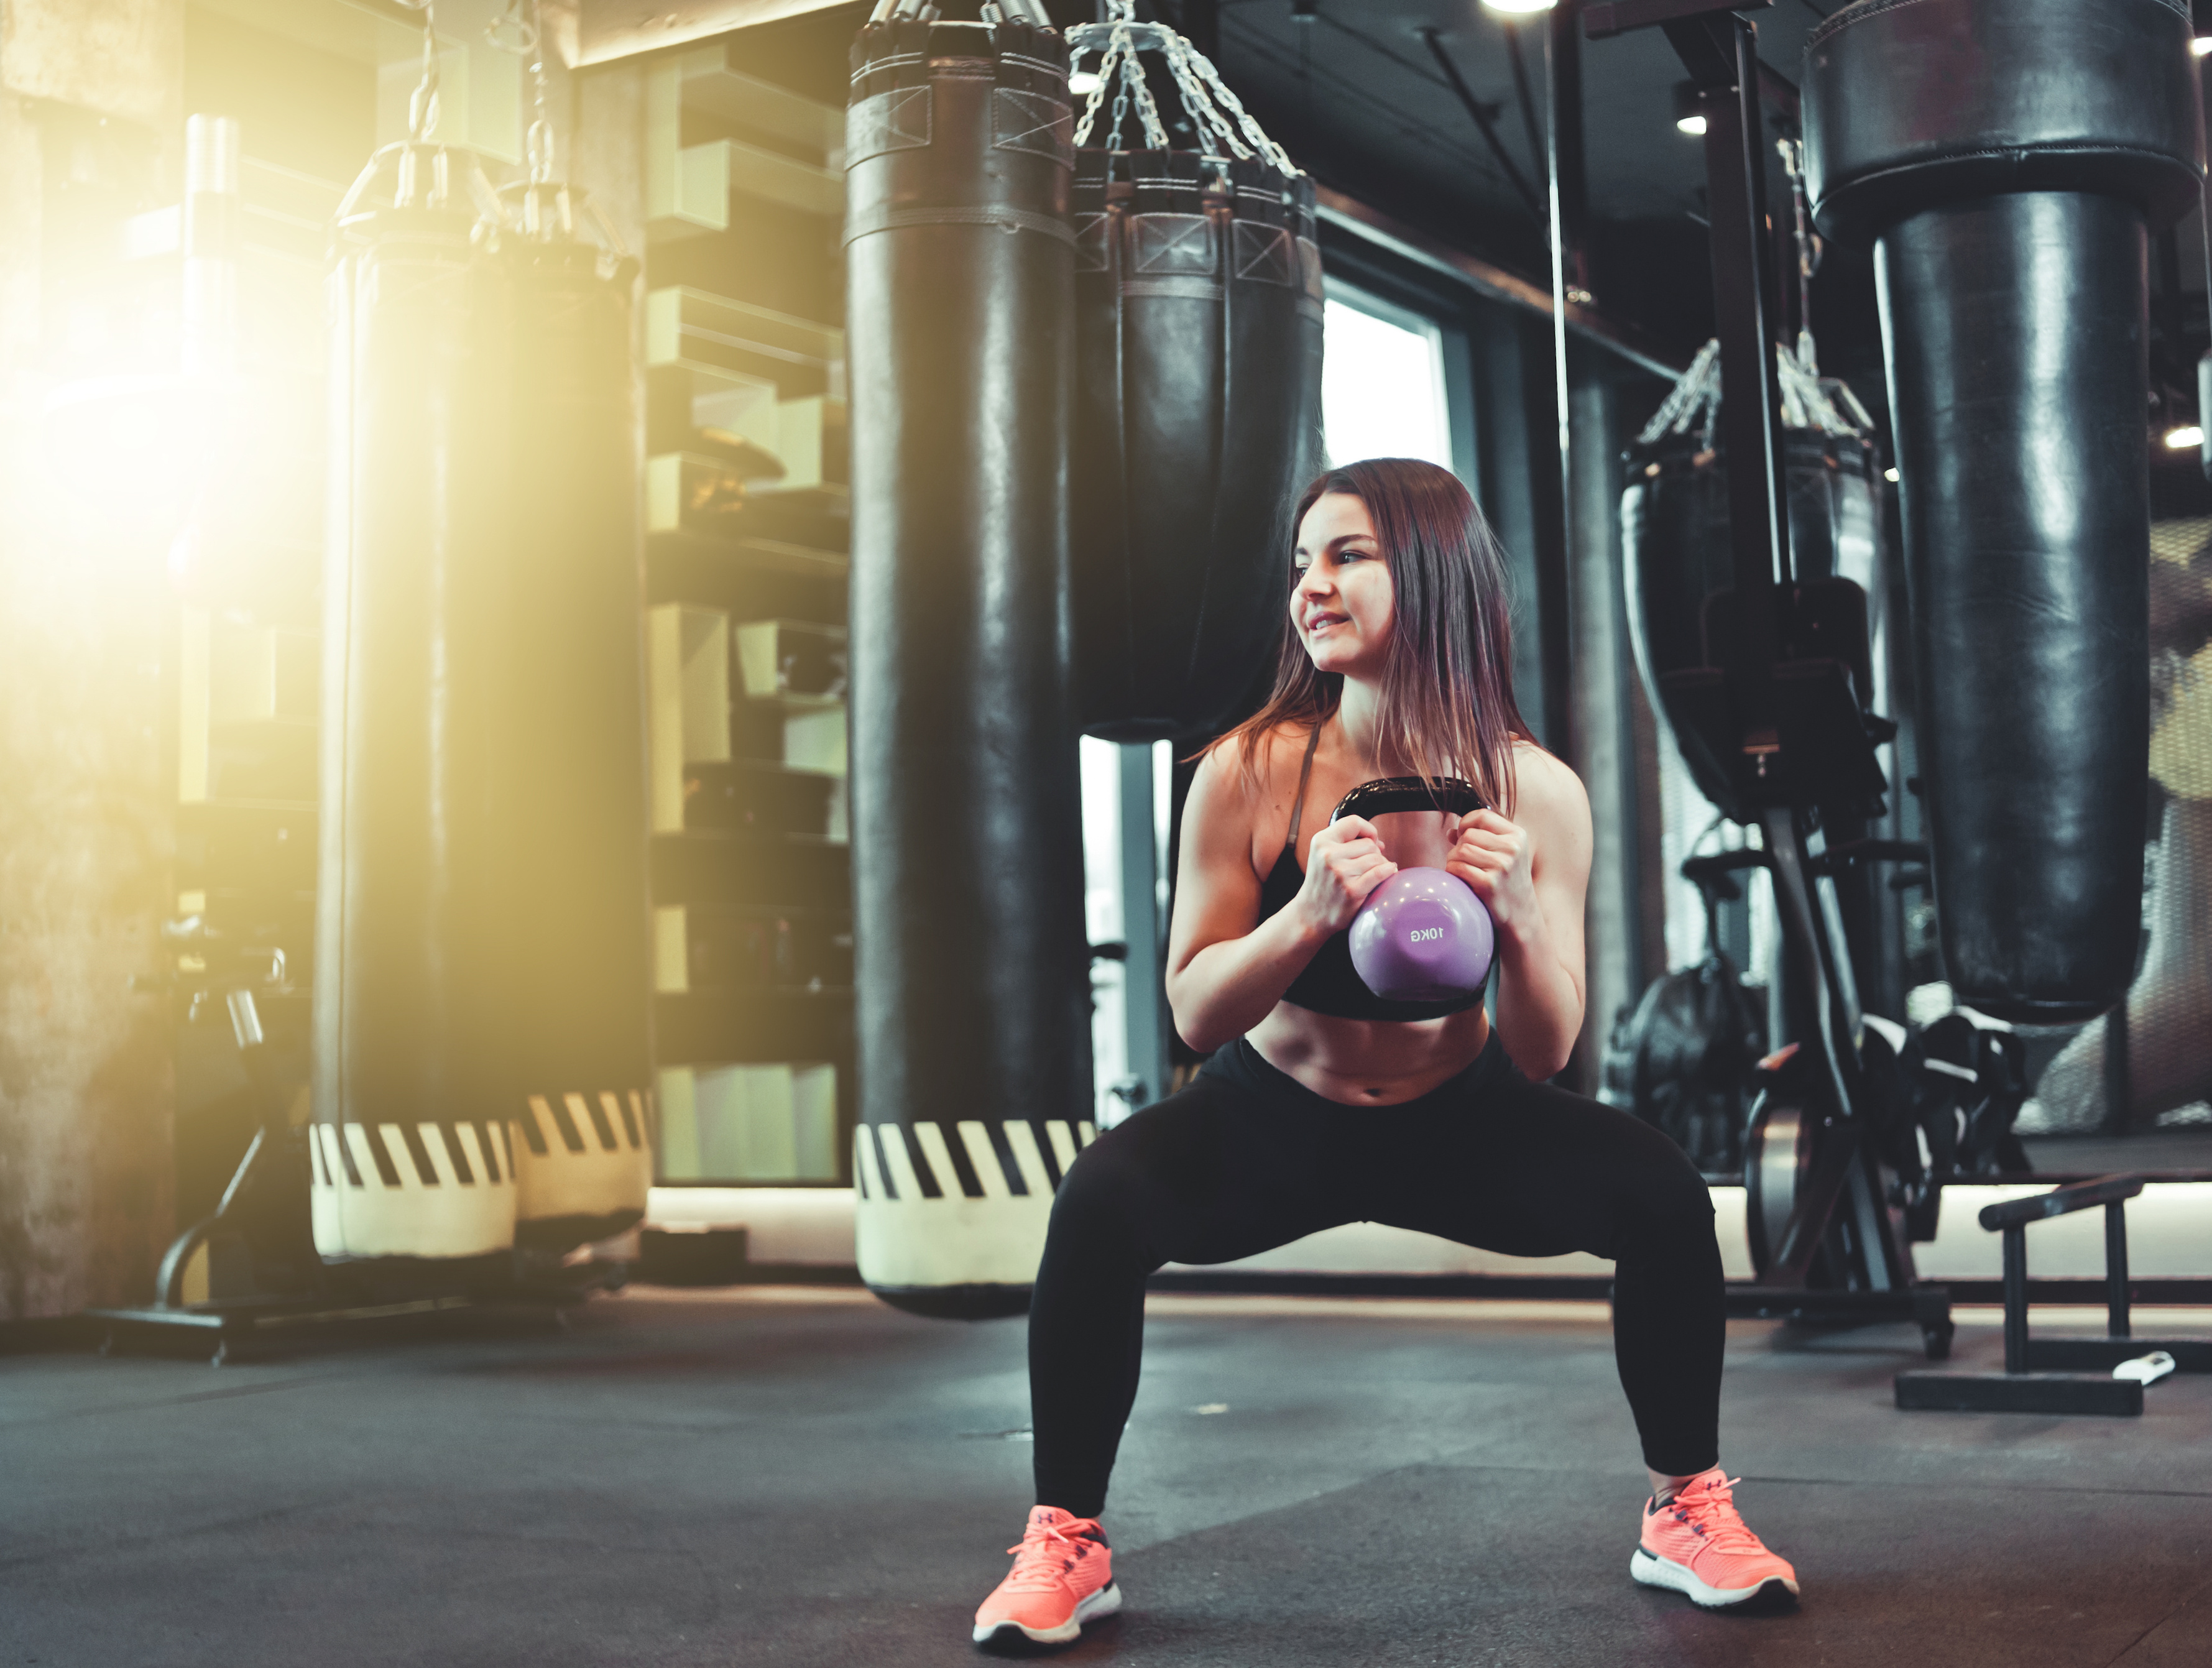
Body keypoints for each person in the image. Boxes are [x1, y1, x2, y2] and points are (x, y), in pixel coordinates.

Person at [971, 458, 1799, 1651]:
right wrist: (1306, 914)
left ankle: (1685, 1508)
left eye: (1346, 554)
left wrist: (1514, 916)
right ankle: (1068, 1539)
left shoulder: (1536, 793)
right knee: (1101, 1199)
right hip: (1270, 1118)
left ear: (1431, 571)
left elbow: (1545, 1046)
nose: (1311, 586)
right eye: (1302, 561)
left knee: (1663, 1194)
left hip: (1462, 1118)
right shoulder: (1248, 769)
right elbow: (1194, 1015)